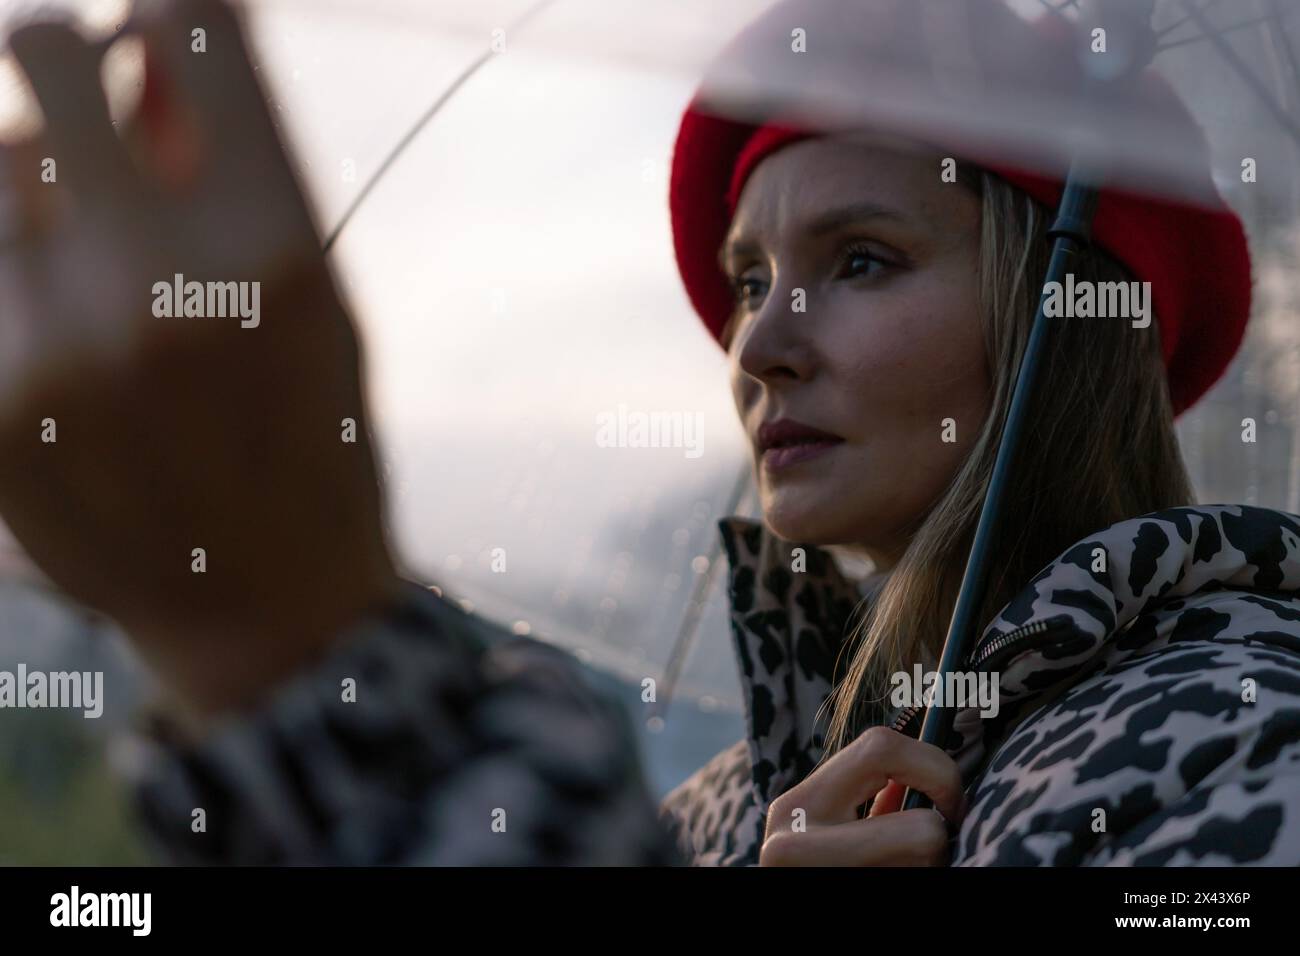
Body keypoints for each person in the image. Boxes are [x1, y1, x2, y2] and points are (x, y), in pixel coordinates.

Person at [0, 0, 1296, 867]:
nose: (760, 343)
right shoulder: (721, 809)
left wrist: (296, 646)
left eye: (860, 260)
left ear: (1065, 323)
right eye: (748, 282)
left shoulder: (1243, 744)